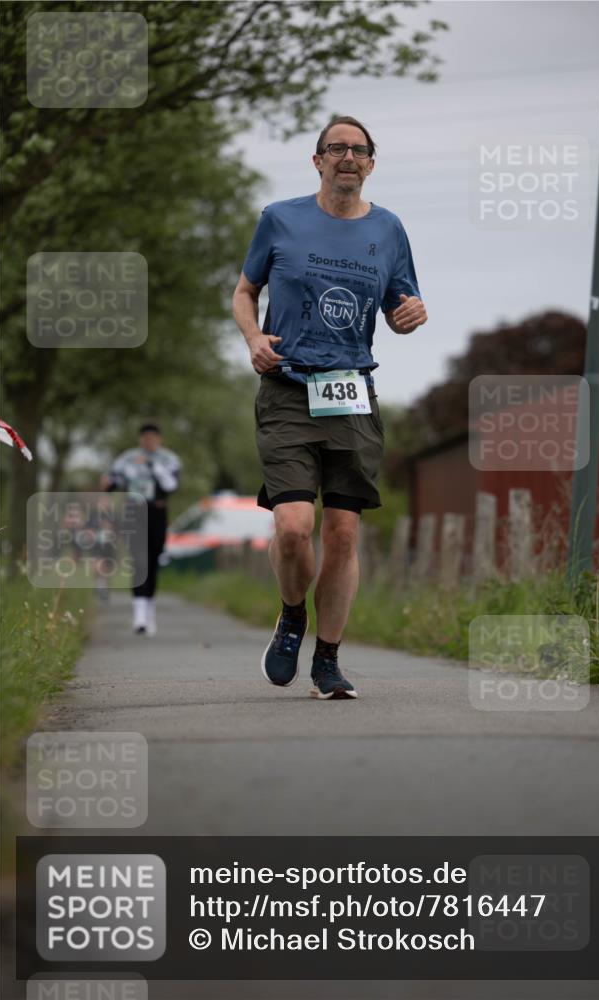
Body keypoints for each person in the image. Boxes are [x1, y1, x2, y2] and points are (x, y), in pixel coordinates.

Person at [232, 115, 427, 699]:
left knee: (342, 533)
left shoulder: (389, 229)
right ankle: (293, 614)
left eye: (359, 150)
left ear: (371, 164)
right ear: (317, 161)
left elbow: (401, 306)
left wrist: (411, 315)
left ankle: (328, 661)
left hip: (351, 393)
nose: (348, 157)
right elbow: (245, 292)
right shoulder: (280, 218)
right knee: (295, 526)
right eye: (336, 148)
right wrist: (253, 339)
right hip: (288, 388)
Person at [103, 423, 181, 635]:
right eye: (145, 438)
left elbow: (171, 486)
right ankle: (139, 616)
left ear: (159, 439)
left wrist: (151, 465)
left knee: (153, 560)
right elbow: (112, 481)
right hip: (133, 512)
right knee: (138, 560)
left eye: (152, 438)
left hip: (157, 511)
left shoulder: (169, 459)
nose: (149, 442)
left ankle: (149, 609)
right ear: (140, 439)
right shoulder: (127, 458)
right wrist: (108, 485)